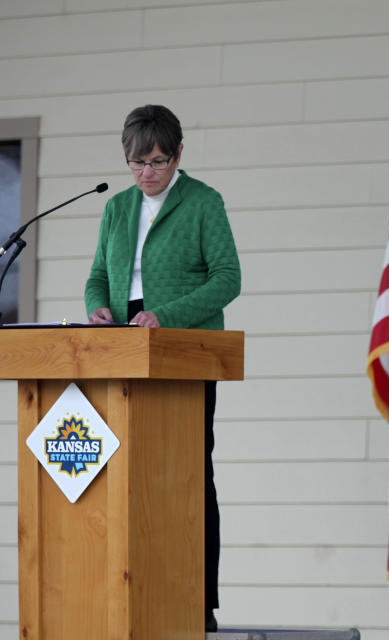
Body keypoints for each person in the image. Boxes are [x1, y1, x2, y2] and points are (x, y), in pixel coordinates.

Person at [85, 104, 241, 632]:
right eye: (137, 163)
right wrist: (99, 309)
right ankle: (133, 592)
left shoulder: (203, 203)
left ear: (178, 155)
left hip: (181, 353)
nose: (147, 174)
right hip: (122, 356)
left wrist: (164, 316)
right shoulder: (117, 208)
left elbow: (227, 279)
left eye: (157, 162)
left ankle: (200, 602)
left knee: (191, 476)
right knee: (130, 478)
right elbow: (97, 277)